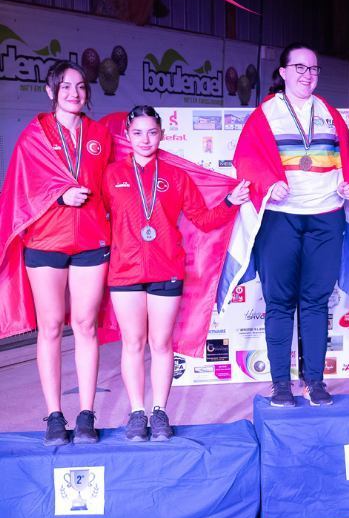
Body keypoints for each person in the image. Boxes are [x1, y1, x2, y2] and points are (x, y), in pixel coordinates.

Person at [103, 106, 250, 440]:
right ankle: (137, 412)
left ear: (162, 135)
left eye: (151, 132)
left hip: (166, 268)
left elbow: (204, 220)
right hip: (124, 271)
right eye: (137, 133)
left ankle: (159, 411)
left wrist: (231, 201)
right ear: (128, 136)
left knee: (160, 343)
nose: (145, 139)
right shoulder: (111, 175)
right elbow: (97, 217)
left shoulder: (176, 176)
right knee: (133, 342)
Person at [233, 43, 349, 408]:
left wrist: (346, 183)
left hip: (326, 216)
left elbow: (344, 158)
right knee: (280, 301)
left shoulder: (330, 113)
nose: (307, 75)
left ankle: (314, 381)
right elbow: (245, 158)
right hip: (280, 217)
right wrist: (268, 181)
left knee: (316, 301)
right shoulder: (266, 113)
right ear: (283, 72)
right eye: (299, 67)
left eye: (313, 68)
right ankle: (281, 385)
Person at [0, 61, 111, 445]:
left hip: (92, 240)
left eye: (80, 86)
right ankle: (53, 415)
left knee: (85, 325)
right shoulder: (35, 136)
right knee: (49, 327)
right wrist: (59, 195)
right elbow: (20, 188)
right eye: (65, 86)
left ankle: (86, 414)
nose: (74, 93)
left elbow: (117, 179)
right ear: (50, 92)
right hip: (45, 241)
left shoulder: (99, 134)